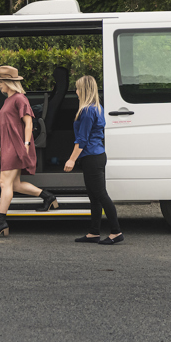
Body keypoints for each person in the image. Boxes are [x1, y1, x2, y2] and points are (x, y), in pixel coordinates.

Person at [0, 65, 58, 238]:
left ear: (9, 82)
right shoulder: (8, 100)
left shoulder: (20, 99)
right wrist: (1, 148)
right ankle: (48, 197)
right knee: (15, 184)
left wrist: (25, 144)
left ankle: (1, 222)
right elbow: (8, 128)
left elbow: (28, 123)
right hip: (8, 146)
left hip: (16, 146)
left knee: (5, 183)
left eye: (1, 82)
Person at [64, 75, 123, 245]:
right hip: (97, 155)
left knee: (101, 196)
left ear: (83, 90)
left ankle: (116, 231)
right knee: (94, 197)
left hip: (91, 156)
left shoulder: (87, 111)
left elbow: (82, 139)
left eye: (77, 88)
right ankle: (94, 232)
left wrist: (71, 159)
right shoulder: (97, 107)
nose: (75, 91)